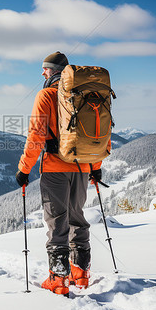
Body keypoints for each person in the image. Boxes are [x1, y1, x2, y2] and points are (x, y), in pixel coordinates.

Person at [15, 51, 105, 296]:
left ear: (53, 71)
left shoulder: (46, 95)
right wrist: (95, 168)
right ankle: (81, 273)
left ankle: (58, 278)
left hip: (55, 167)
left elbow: (36, 136)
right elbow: (93, 136)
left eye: (45, 69)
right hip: (83, 166)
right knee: (77, 217)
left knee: (57, 221)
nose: (42, 73)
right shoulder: (85, 95)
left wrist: (24, 169)